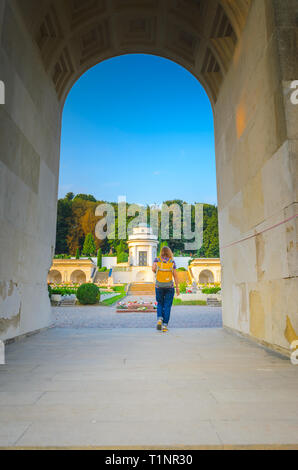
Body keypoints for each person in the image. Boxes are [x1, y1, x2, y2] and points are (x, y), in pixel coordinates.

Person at [152, 246, 180, 333]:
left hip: (159, 286)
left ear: (161, 252)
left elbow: (153, 269)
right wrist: (177, 287)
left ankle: (159, 319)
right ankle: (164, 325)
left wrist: (156, 268)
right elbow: (175, 275)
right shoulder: (172, 262)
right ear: (169, 252)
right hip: (169, 287)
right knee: (167, 306)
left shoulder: (157, 260)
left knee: (160, 303)